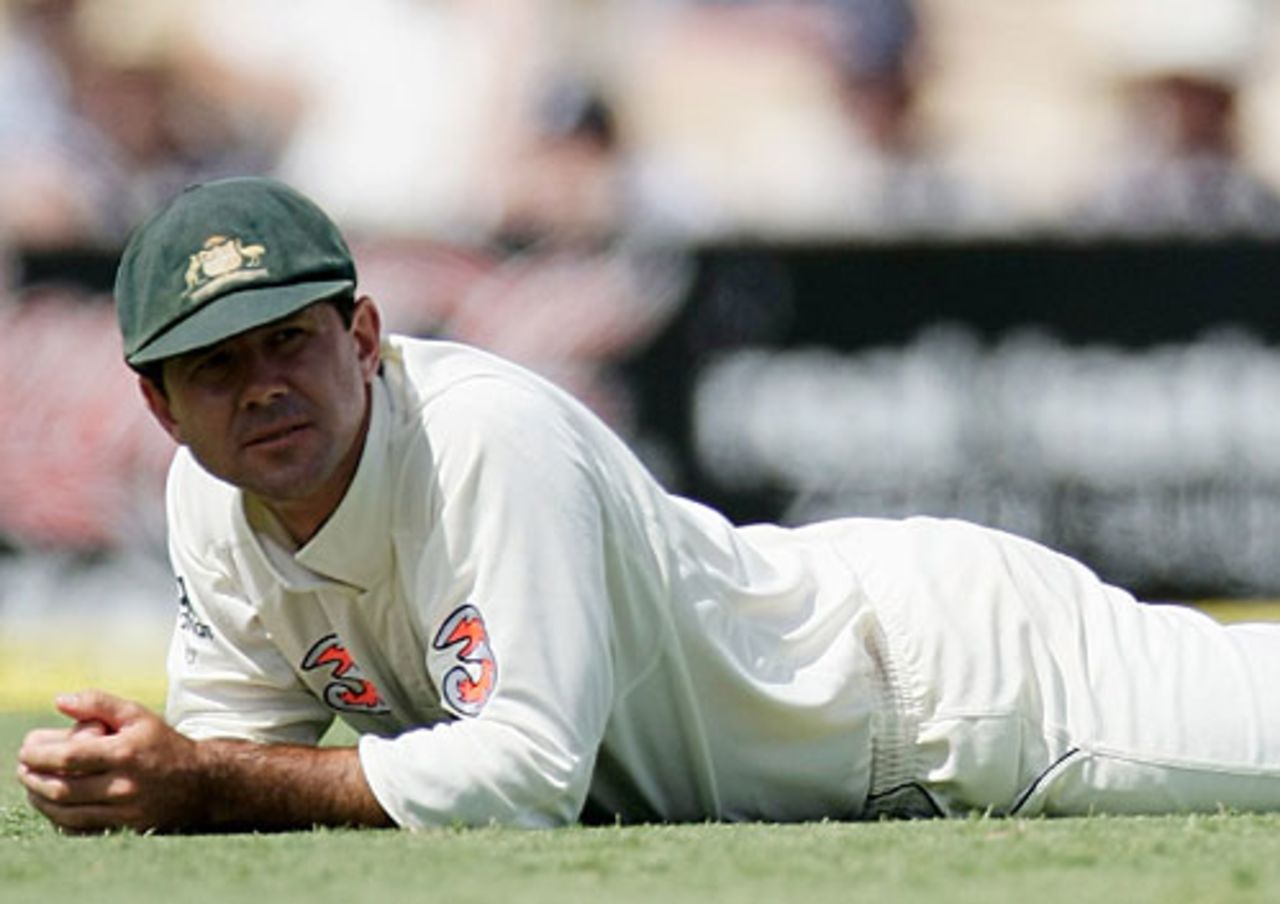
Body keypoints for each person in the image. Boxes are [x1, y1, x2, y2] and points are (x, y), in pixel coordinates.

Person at [18, 176, 1280, 833]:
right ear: (158, 406)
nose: (261, 388)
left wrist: (209, 782)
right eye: (216, 366)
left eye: (287, 340)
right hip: (867, 684)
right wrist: (147, 777)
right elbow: (233, 758)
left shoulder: (485, 438)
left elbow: (519, 779)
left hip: (956, 694)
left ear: (362, 334)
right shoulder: (208, 497)